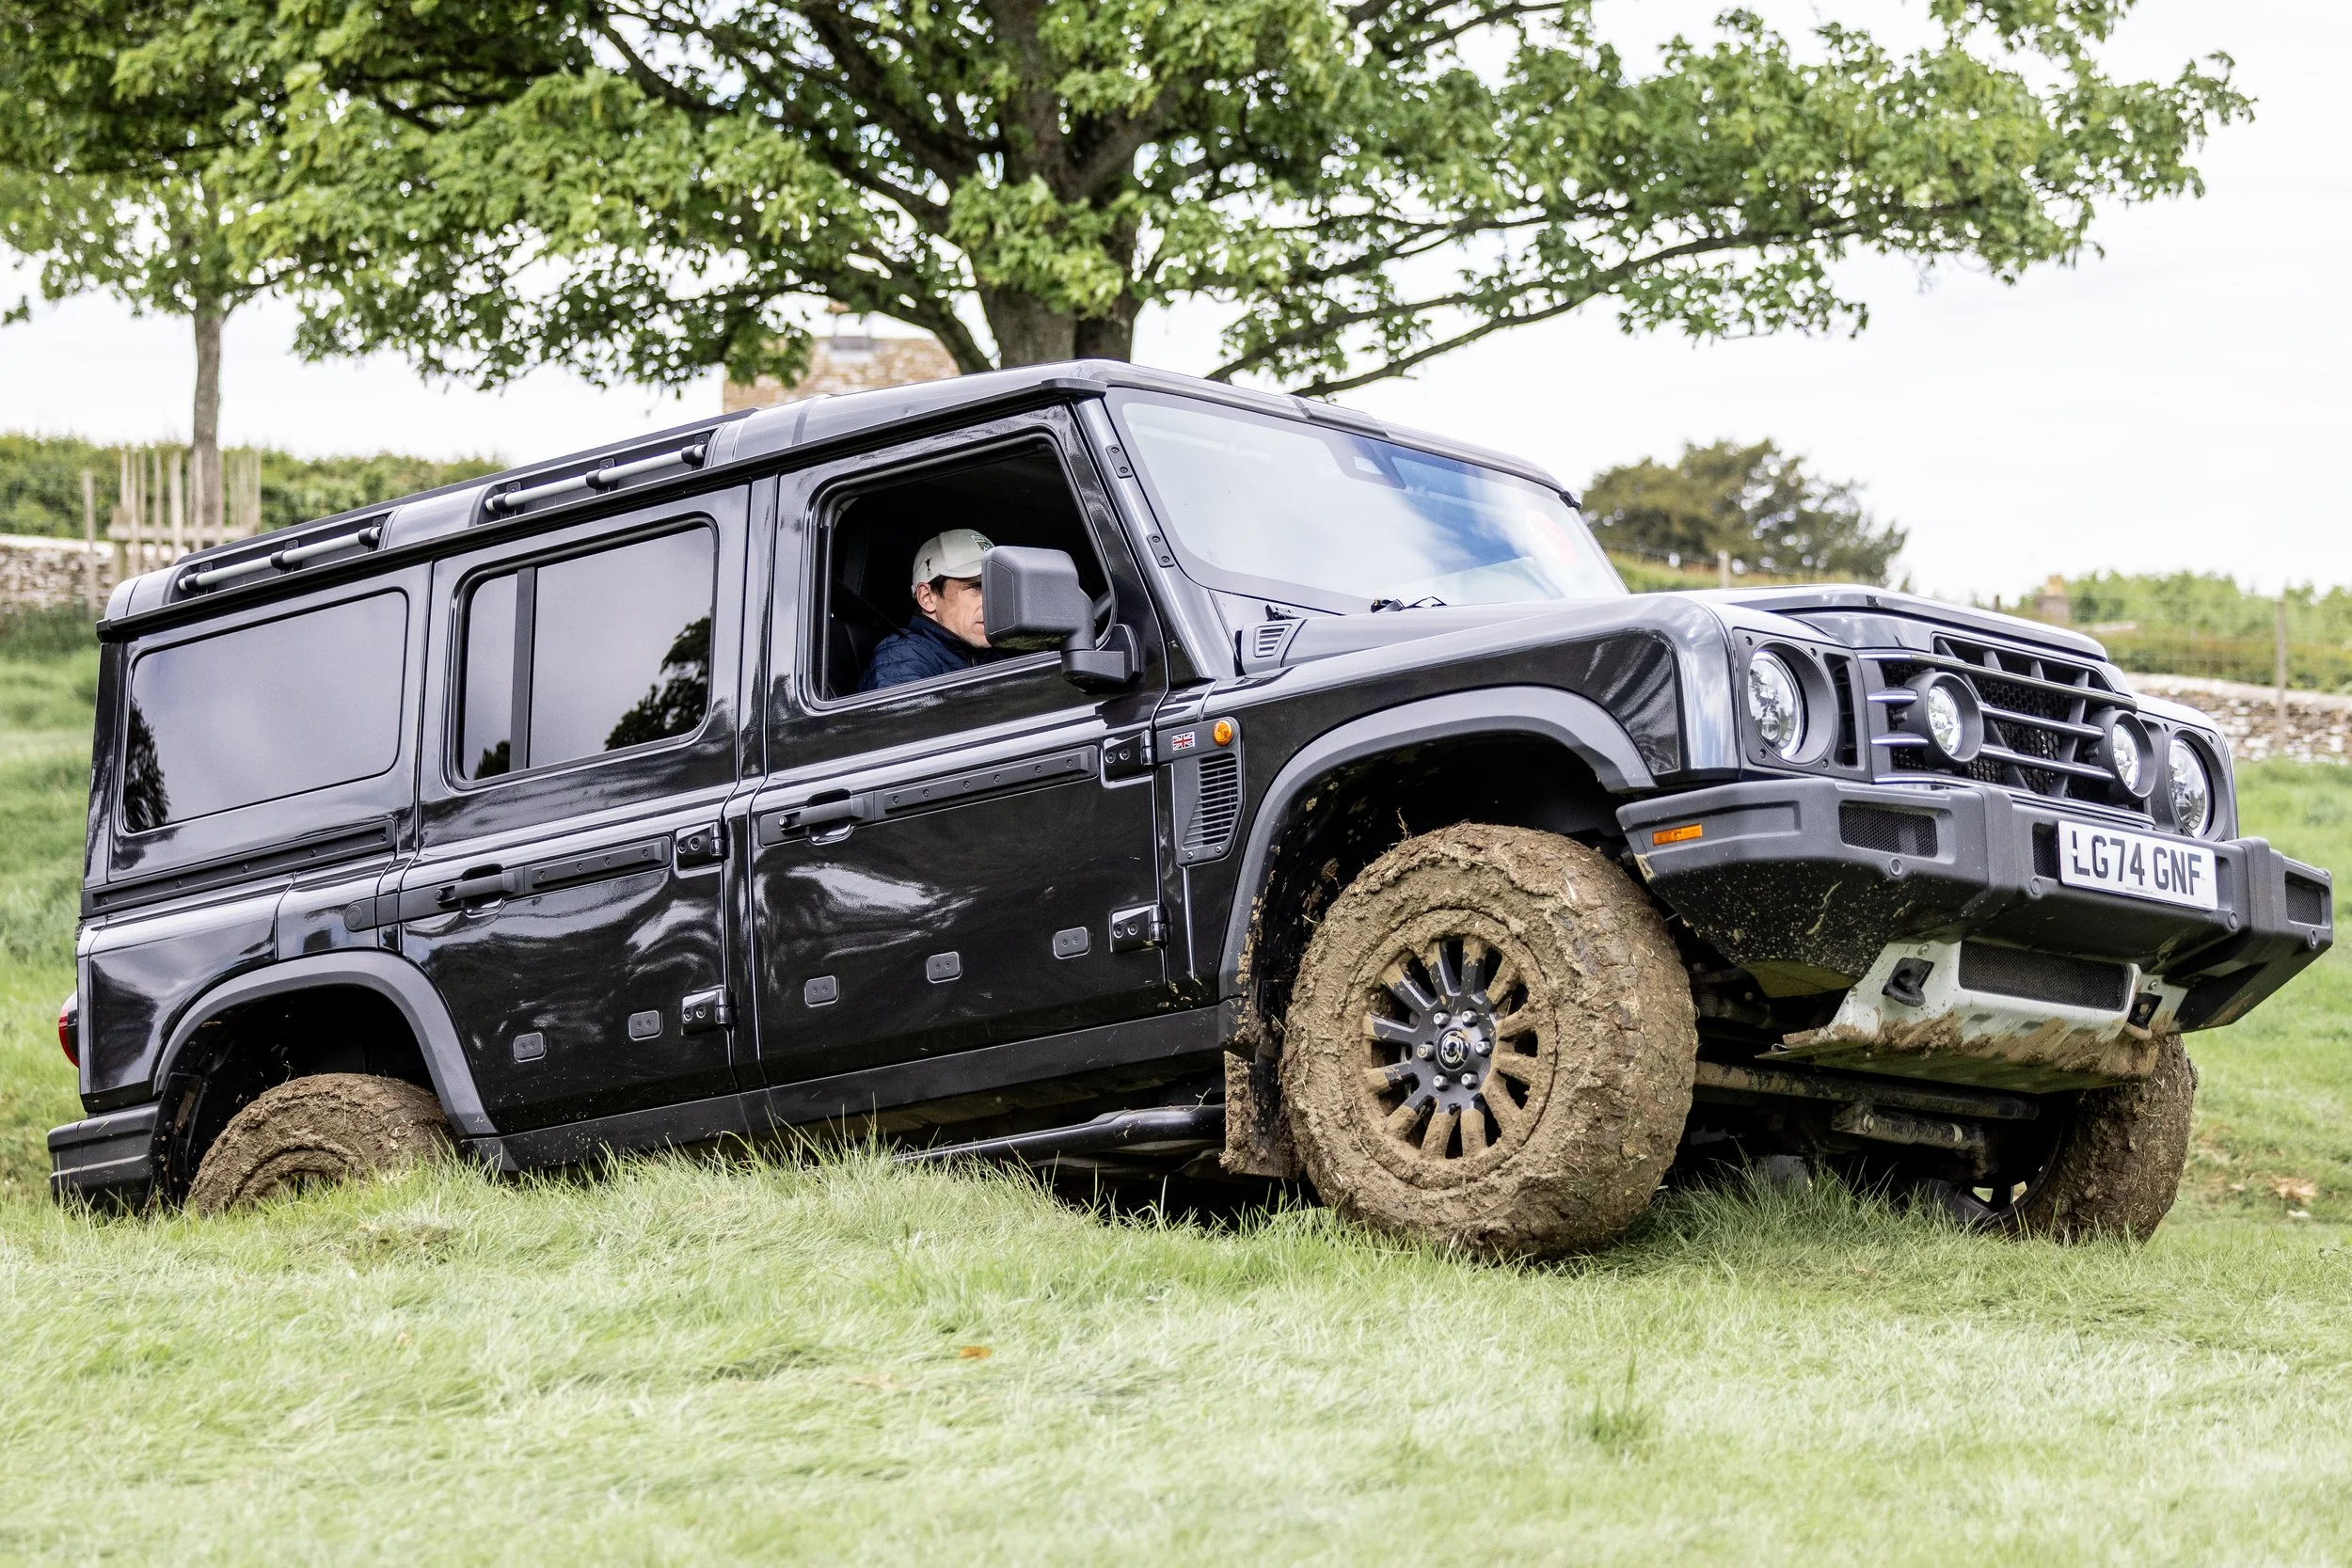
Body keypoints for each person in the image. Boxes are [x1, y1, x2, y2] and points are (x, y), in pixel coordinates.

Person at [859, 528, 998, 692]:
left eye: (997, 587)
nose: (994, 601)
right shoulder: (903, 660)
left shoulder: (996, 650)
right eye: (977, 587)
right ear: (927, 597)